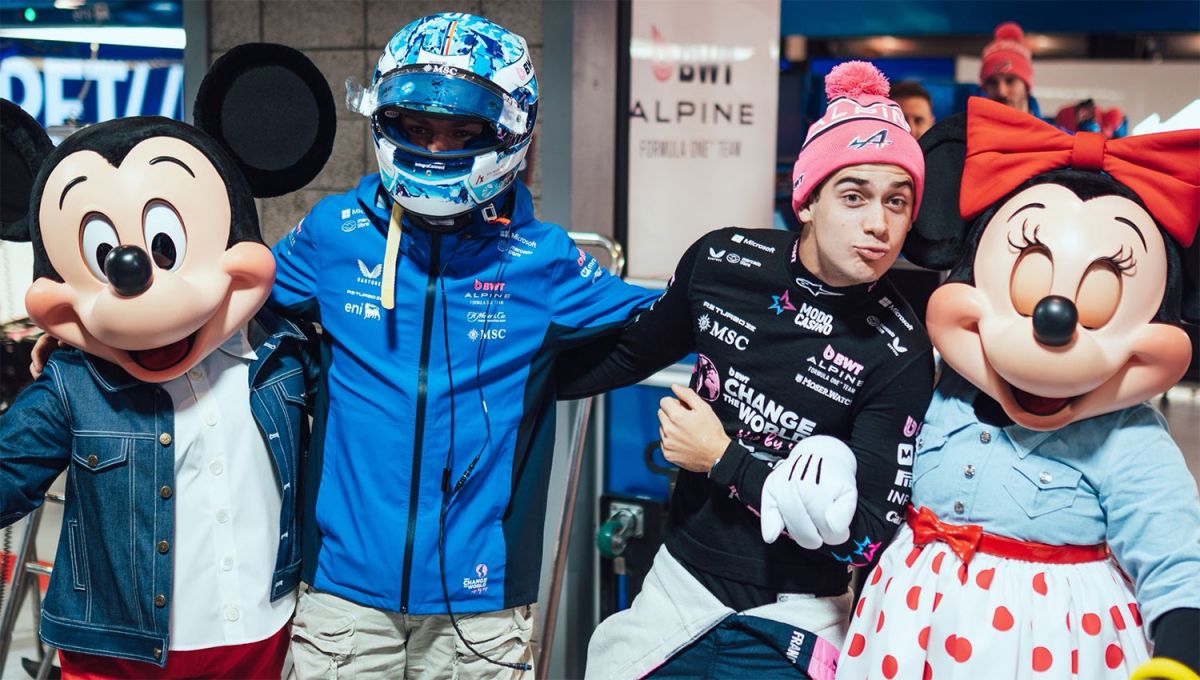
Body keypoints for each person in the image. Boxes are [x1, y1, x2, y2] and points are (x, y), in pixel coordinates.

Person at [271, 13, 658, 679]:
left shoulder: (543, 259)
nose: (436, 146)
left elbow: (657, 324)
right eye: (418, 127)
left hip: (481, 609)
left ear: (509, 133)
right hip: (343, 598)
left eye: (462, 132)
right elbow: (233, 302)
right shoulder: (333, 233)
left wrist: (545, 377)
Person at [558, 61, 936, 679]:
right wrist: (494, 383)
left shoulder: (901, 350)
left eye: (897, 201)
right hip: (676, 587)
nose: (879, 224)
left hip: (797, 616)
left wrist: (722, 459)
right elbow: (626, 355)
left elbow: (868, 536)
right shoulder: (723, 262)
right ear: (807, 200)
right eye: (854, 196)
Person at [836, 98, 1200, 680]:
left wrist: (1179, 658)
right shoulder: (937, 388)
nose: (1054, 319)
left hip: (1050, 651)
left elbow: (1176, 560)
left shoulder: (1126, 435)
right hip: (905, 640)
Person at [1, 44, 333, 679]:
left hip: (263, 635)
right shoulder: (75, 383)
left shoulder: (284, 351)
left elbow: (374, 399)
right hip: (119, 655)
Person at [980, 22, 1040, 116]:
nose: (1001, 92)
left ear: (1027, 87)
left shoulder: (1049, 126)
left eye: (1010, 81)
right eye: (992, 83)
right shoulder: (970, 125)